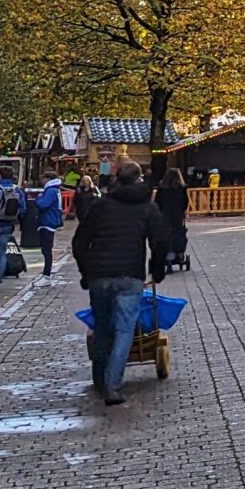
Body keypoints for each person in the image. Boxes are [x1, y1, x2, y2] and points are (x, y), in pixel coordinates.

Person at [72, 161, 166, 405]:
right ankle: (113, 386)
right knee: (124, 331)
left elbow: (80, 241)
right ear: (139, 179)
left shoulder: (100, 206)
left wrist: (86, 271)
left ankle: (100, 379)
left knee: (102, 327)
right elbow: (160, 241)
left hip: (99, 276)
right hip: (130, 275)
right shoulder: (147, 207)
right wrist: (157, 270)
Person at [153, 166, 192, 276]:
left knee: (165, 235)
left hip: (164, 216)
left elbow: (157, 202)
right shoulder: (182, 188)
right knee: (178, 234)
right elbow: (185, 203)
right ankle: (179, 253)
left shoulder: (162, 188)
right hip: (177, 216)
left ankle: (166, 254)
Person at [32, 175, 66, 277]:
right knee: (46, 249)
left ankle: (46, 274)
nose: (41, 181)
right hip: (50, 220)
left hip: (47, 221)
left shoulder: (50, 190)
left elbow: (43, 204)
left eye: (43, 179)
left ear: (48, 179)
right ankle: (46, 273)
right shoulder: (55, 190)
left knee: (46, 249)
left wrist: (37, 198)